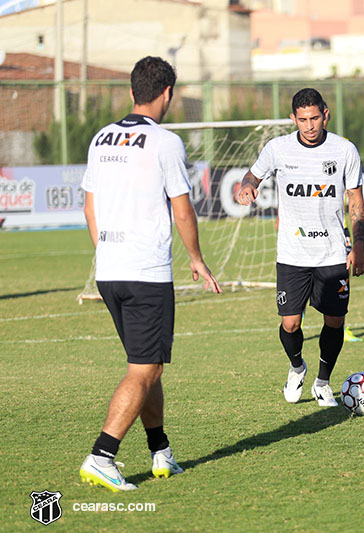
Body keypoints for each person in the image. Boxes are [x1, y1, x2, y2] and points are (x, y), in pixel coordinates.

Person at [79, 56, 222, 492]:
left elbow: (89, 206)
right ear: (168, 94)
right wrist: (196, 259)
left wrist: (107, 254)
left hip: (110, 270)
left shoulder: (101, 137)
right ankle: (102, 455)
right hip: (145, 273)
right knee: (145, 371)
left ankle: (160, 451)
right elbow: (182, 208)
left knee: (146, 366)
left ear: (130, 92)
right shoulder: (165, 142)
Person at [236, 88, 364, 407]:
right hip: (292, 253)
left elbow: (355, 201)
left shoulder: (344, 150)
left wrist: (359, 244)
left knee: (334, 321)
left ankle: (323, 382)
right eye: (302, 120)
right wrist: (247, 187)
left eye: (315, 118)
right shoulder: (277, 148)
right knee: (290, 323)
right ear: (293, 119)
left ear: (326, 114)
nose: (309, 126)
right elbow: (252, 175)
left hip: (333, 252)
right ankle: (297, 368)